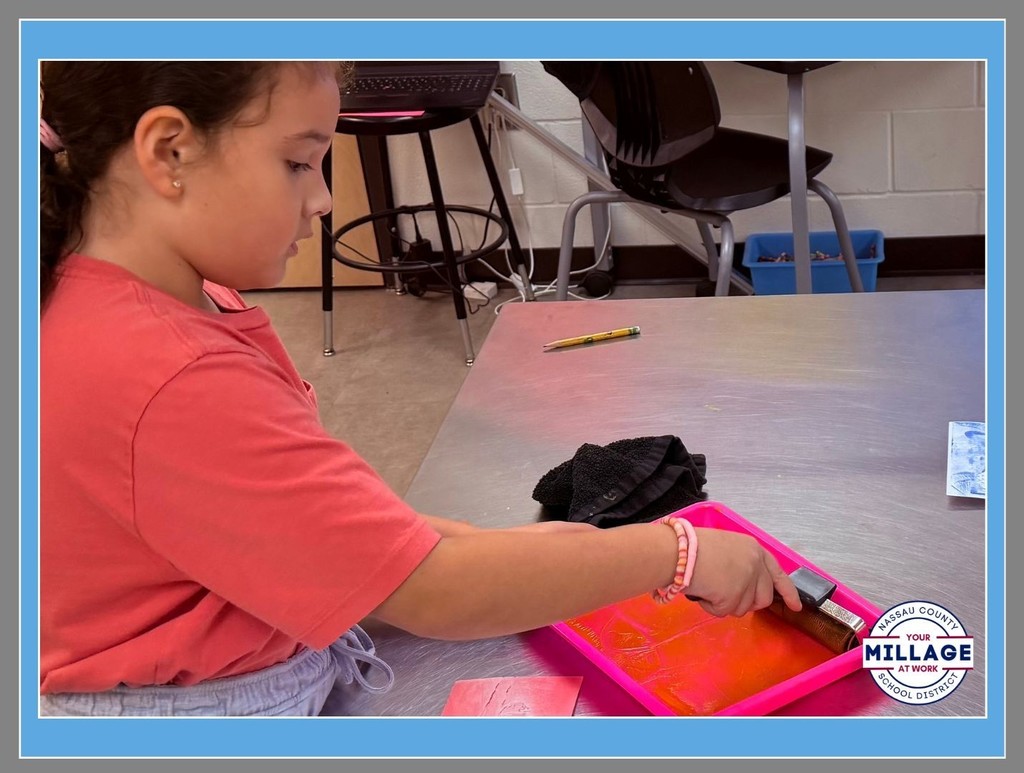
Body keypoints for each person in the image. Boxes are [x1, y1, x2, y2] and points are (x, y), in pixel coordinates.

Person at [39, 61, 801, 717]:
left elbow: (310, 524)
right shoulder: (172, 375)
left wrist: (499, 545)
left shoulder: (139, 299)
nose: (324, 200)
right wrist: (677, 551)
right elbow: (431, 593)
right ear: (169, 150)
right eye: (299, 163)